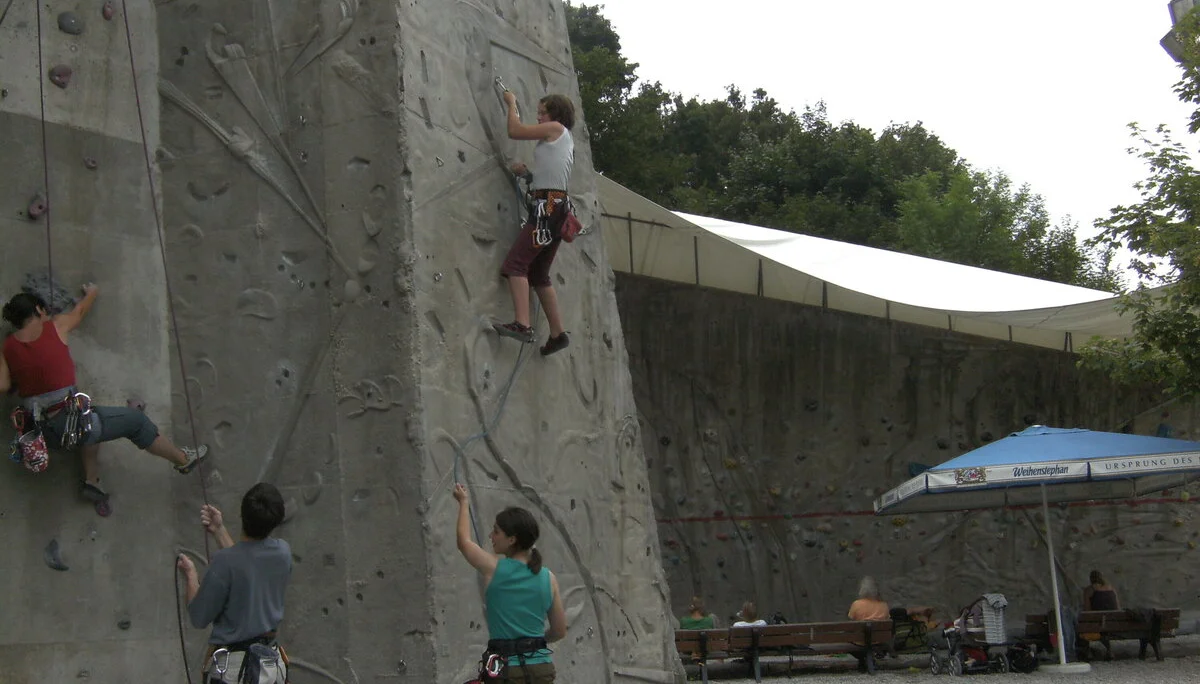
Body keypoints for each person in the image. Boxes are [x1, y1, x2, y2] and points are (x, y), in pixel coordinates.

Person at [0, 288, 207, 503]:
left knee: (90, 424)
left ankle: (92, 482)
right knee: (136, 422)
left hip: (40, 434)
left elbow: (3, 385)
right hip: (69, 422)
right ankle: (183, 460)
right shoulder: (55, 326)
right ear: (37, 309)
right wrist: (92, 292)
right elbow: (80, 312)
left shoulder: (7, 347)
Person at [176, 483, 292, 683]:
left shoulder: (225, 562)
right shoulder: (283, 552)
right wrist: (219, 530)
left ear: (242, 514)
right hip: (269, 667)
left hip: (234, 671)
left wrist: (191, 575)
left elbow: (198, 616)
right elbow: (246, 565)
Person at [454, 483, 567, 683]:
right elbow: (559, 631)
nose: (491, 536)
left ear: (512, 539)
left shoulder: (494, 568)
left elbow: (464, 542)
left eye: (496, 532)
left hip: (505, 670)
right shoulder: (548, 578)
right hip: (541, 668)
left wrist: (463, 502)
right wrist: (534, 642)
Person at [491, 90, 576, 357]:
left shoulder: (555, 128)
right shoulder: (563, 138)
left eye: (542, 112)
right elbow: (552, 174)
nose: (539, 117)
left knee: (515, 264)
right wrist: (529, 175)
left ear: (555, 114)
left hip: (546, 208)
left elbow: (514, 131)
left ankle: (523, 324)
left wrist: (511, 104)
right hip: (557, 207)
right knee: (539, 274)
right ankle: (557, 334)